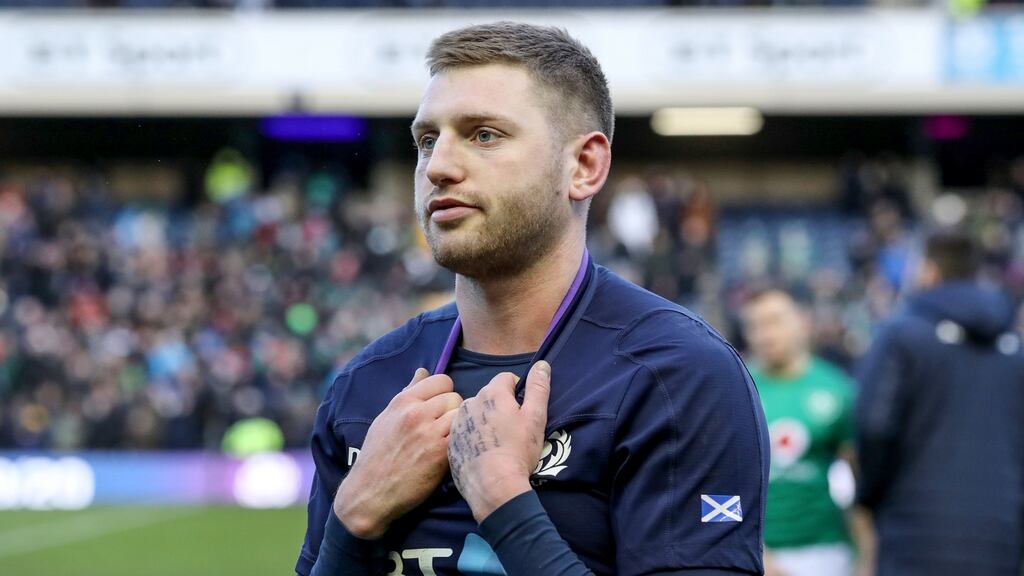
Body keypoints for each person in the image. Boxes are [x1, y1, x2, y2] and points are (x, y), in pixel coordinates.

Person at [296, 22, 769, 576]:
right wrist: (353, 520)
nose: (439, 167)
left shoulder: (676, 376)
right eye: (428, 140)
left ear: (583, 166)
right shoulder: (366, 384)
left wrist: (505, 505)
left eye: (484, 135)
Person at [856, 230, 1024, 576]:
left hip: (914, 533)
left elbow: (874, 426)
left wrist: (871, 496)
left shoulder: (902, 335)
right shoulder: (1015, 350)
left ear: (930, 271)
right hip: (1000, 534)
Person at [742, 288, 869, 576]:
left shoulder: (837, 390)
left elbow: (861, 479)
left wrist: (866, 558)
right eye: (755, 325)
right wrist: (759, 552)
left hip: (824, 550)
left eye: (774, 321)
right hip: (755, 552)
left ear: (801, 321)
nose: (765, 334)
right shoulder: (737, 389)